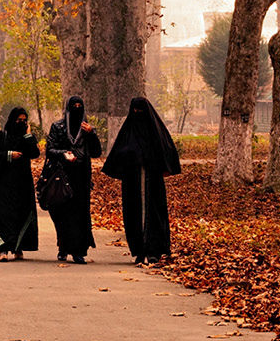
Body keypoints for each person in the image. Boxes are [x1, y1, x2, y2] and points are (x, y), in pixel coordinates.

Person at [102, 96, 181, 265]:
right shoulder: (128, 131)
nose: (138, 114)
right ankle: (138, 250)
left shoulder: (156, 132)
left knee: (154, 214)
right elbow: (119, 154)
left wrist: (156, 163)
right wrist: (132, 157)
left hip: (152, 181)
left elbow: (166, 151)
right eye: (135, 111)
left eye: (141, 111)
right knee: (134, 215)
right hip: (132, 182)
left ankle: (154, 250)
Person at [44, 95, 103, 263]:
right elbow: (50, 150)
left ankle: (78, 250)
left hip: (81, 177)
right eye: (74, 106)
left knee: (79, 214)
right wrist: (64, 154)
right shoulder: (58, 127)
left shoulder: (87, 129)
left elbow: (97, 152)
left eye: (80, 105)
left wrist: (91, 134)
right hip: (61, 176)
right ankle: (63, 247)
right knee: (62, 214)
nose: (77, 108)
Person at [0, 106, 40, 260]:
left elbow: (35, 154)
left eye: (24, 120)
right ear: (12, 120)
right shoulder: (1, 136)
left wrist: (29, 136)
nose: (22, 123)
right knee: (4, 215)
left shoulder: (27, 137)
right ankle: (3, 249)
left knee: (22, 214)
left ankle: (18, 248)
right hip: (4, 183)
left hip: (23, 183)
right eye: (19, 120)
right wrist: (9, 155)